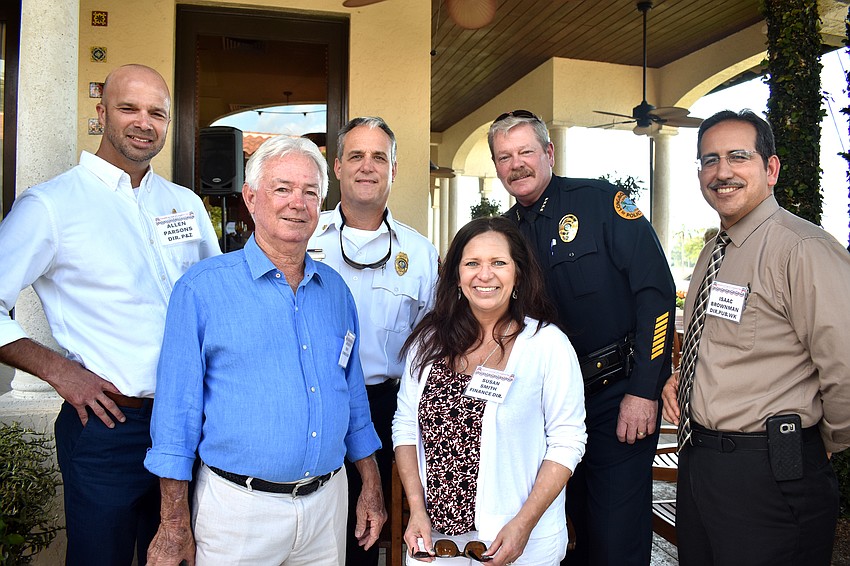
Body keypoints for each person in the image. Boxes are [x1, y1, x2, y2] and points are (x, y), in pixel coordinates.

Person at [0, 64, 220, 566]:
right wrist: (60, 371)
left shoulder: (183, 203)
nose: (144, 122)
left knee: (182, 556)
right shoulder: (52, 205)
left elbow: (217, 298)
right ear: (101, 114)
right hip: (109, 426)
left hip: (189, 425)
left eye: (157, 113)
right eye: (129, 108)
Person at [144, 135, 385, 565]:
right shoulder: (202, 289)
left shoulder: (336, 293)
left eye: (311, 191)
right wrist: (173, 521)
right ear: (251, 198)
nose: (298, 202)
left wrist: (370, 483)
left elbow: (352, 396)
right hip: (238, 512)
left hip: (327, 507)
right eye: (283, 188)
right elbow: (175, 417)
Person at [660, 109, 850, 565]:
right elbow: (722, 344)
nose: (722, 172)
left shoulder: (803, 249)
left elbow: (845, 367)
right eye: (709, 160)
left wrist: (813, 444)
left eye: (738, 157)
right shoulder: (714, 251)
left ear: (771, 168)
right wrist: (686, 382)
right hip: (702, 466)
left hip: (773, 474)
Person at [488, 110, 675, 565]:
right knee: (564, 532)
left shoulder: (600, 204)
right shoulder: (503, 234)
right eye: (504, 157)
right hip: (547, 408)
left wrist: (644, 390)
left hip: (616, 401)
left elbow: (657, 294)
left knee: (614, 539)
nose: (517, 165)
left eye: (526, 152)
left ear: (548, 153)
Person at [393, 216, 587, 565]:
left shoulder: (547, 345)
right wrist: (416, 511)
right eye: (472, 263)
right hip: (435, 544)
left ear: (519, 274)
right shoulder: (428, 341)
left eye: (498, 262)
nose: (485, 274)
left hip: (517, 543)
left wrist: (523, 525)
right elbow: (405, 426)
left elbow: (568, 440)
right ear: (456, 275)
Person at [309, 116, 439, 566]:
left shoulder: (421, 254)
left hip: (386, 410)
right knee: (311, 528)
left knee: (370, 530)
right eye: (357, 156)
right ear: (337, 166)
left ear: (394, 169)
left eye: (379, 157)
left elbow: (433, 342)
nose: (368, 167)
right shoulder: (302, 236)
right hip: (314, 403)